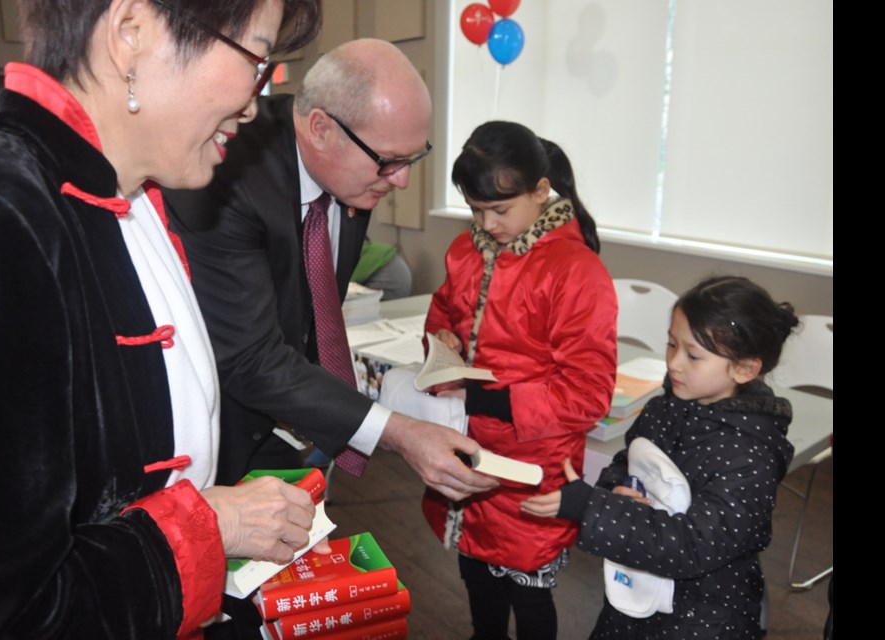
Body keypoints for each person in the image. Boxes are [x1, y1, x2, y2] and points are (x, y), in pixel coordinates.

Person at [0, 1, 324, 638]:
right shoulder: (2, 217)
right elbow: (13, 610)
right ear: (132, 34)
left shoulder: (137, 198)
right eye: (254, 56)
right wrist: (210, 527)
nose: (255, 101)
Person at [162, 38, 497, 500]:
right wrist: (396, 431)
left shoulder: (352, 173)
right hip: (213, 438)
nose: (401, 179)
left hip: (283, 428)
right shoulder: (226, 177)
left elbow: (314, 306)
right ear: (321, 129)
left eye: (412, 158)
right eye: (390, 161)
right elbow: (249, 358)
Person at [422, 121, 618, 640]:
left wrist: (488, 399)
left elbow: (588, 394)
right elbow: (443, 311)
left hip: (534, 463)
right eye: (475, 210)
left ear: (540, 190)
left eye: (500, 210)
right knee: (476, 574)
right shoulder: (467, 252)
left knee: (528, 591)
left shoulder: (575, 271)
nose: (486, 224)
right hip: (466, 446)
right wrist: (444, 341)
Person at [523, 275, 800, 639]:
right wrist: (615, 490)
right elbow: (629, 461)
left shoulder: (749, 453)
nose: (674, 363)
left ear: (744, 368)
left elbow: (693, 544)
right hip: (635, 593)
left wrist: (593, 507)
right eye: (671, 345)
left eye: (693, 355)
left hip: (704, 616)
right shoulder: (664, 408)